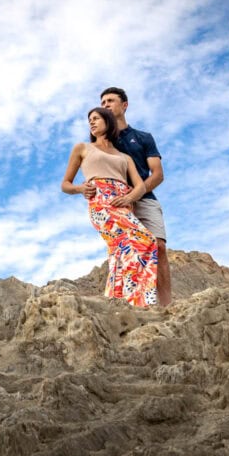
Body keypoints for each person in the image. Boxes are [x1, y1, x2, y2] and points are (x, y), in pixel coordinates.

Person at [62, 107, 159, 308]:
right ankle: (139, 302)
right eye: (90, 120)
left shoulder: (124, 157)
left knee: (119, 252)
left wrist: (129, 197)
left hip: (123, 202)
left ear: (108, 121)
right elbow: (65, 184)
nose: (92, 122)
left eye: (96, 118)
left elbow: (140, 185)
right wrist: (80, 189)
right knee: (146, 241)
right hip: (101, 202)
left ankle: (116, 302)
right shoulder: (82, 148)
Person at [94, 87, 172, 306]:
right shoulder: (101, 141)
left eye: (110, 101)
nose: (106, 105)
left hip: (145, 198)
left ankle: (167, 306)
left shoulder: (143, 138)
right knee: (122, 250)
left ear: (124, 105)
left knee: (159, 246)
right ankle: (125, 303)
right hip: (116, 202)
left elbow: (157, 174)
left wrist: (136, 192)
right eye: (103, 102)